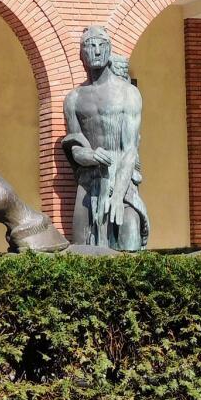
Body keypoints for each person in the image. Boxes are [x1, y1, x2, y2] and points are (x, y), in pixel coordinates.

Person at [61, 27, 150, 251]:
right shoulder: (73, 99)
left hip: (122, 180)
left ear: (109, 50)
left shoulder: (128, 93)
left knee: (129, 237)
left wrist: (118, 196)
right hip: (88, 182)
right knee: (82, 249)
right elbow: (75, 149)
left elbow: (130, 149)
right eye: (90, 45)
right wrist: (90, 155)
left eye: (102, 45)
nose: (97, 51)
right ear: (82, 54)